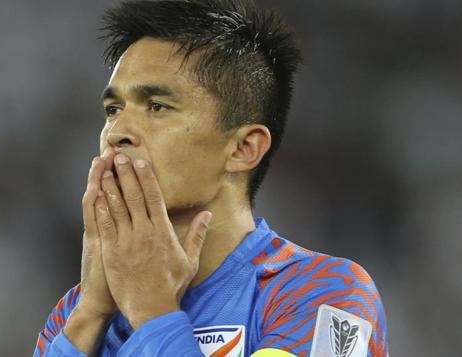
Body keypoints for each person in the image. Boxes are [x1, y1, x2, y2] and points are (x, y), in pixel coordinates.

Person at [34, 0, 388, 356]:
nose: (117, 132)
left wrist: (152, 311)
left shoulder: (324, 293)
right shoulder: (75, 315)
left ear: (244, 148)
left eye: (157, 106)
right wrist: (90, 316)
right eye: (113, 110)